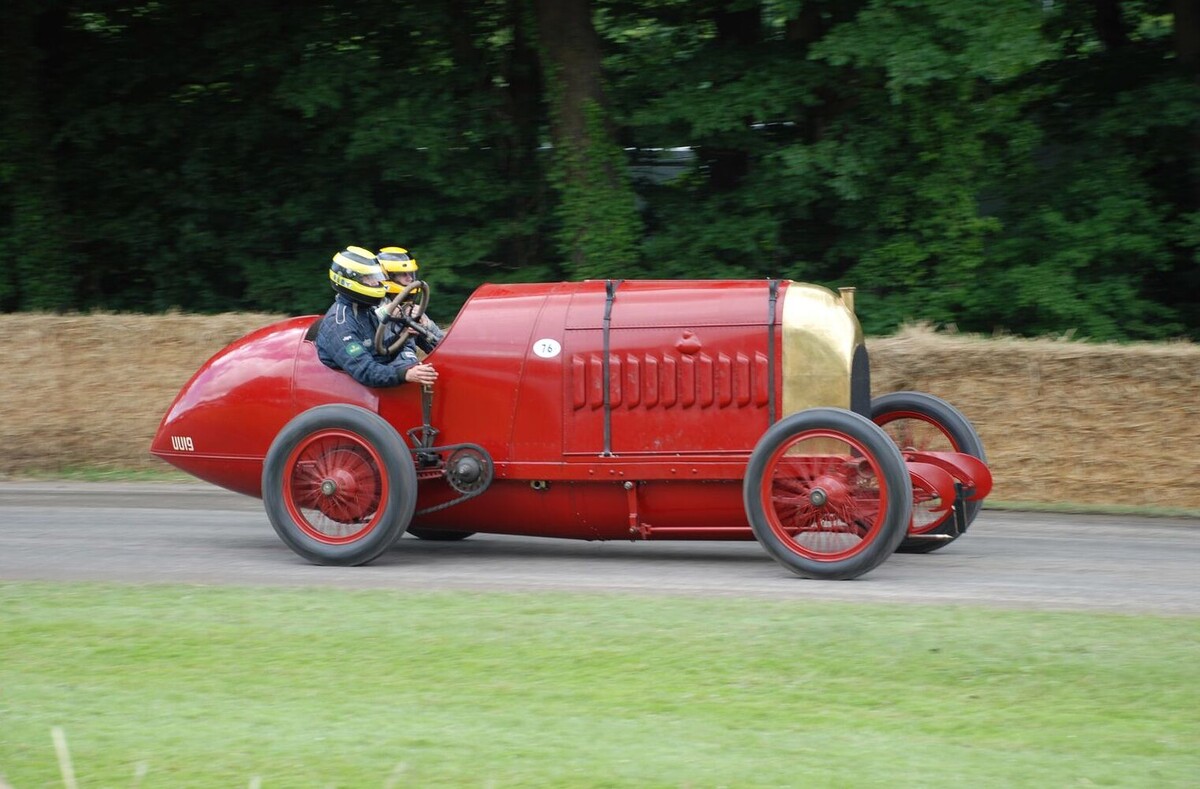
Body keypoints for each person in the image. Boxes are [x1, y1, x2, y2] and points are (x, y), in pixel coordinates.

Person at [315, 245, 438, 388]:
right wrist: (405, 374)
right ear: (348, 281)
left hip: (381, 373)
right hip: (357, 390)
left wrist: (405, 334)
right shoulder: (340, 325)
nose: (376, 282)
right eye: (368, 277)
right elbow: (366, 371)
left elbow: (382, 350)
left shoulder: (368, 308)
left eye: (375, 276)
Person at [377, 246, 445, 351]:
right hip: (396, 366)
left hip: (411, 364)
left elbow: (443, 348)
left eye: (410, 273)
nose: (410, 278)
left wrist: (426, 324)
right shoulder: (372, 308)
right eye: (402, 274)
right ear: (387, 277)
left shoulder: (409, 306)